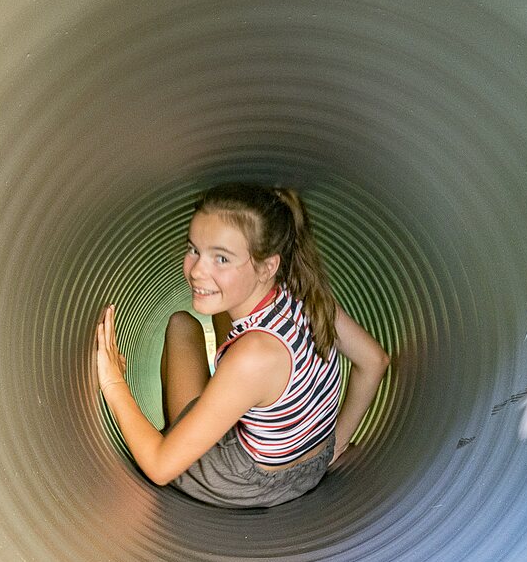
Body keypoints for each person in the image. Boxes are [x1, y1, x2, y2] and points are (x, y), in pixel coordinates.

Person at [96, 183, 390, 508]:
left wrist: (113, 382)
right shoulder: (306, 292)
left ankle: (178, 433)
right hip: (312, 461)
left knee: (181, 326)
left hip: (248, 481)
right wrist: (335, 444)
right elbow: (374, 360)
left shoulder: (254, 357)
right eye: (194, 249)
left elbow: (160, 468)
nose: (196, 270)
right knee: (202, 320)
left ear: (268, 266)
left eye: (221, 258)